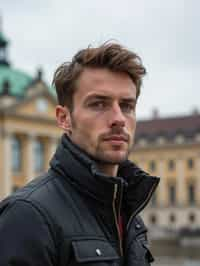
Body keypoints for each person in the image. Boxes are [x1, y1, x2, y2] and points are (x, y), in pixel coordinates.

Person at [0, 42, 159, 266]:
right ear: (64, 118)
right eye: (98, 104)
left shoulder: (127, 212)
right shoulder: (26, 215)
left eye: (126, 105)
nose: (118, 118)